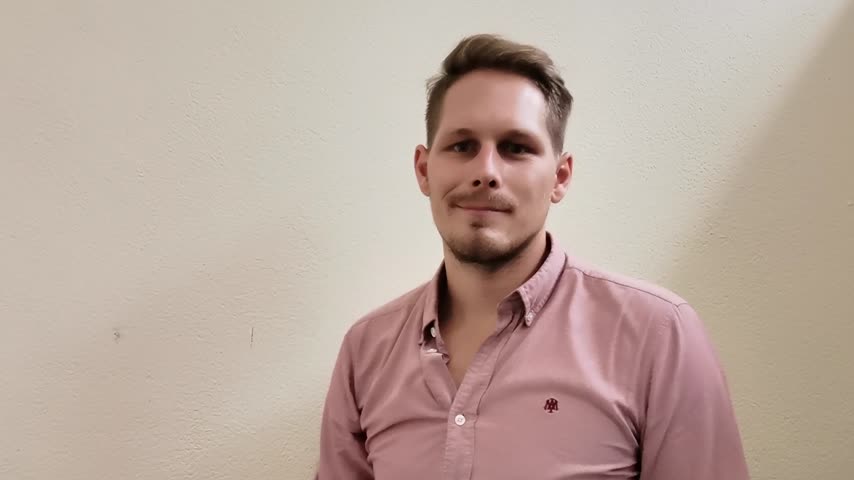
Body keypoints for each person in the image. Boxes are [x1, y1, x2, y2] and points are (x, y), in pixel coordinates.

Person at [314, 33, 750, 479]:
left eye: (516, 147)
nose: (486, 172)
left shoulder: (657, 336)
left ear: (560, 177)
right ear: (424, 170)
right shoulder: (366, 351)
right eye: (462, 146)